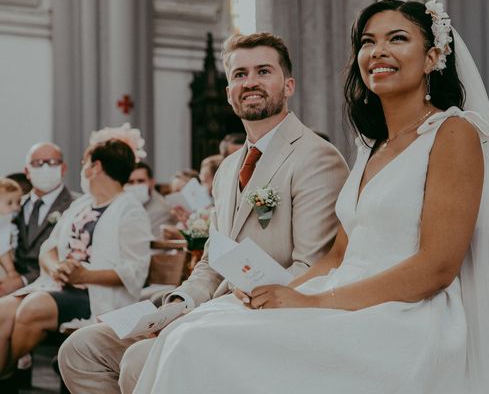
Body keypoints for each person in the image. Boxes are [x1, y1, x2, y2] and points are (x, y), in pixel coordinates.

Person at [124, 0, 489, 393]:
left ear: (432, 57)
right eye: (367, 42)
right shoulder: (373, 145)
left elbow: (436, 267)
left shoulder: (454, 132)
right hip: (343, 292)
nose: (377, 51)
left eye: (397, 39)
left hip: (405, 312)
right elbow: (338, 255)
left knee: (199, 345)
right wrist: (280, 292)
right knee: (199, 325)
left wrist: (315, 300)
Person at [58, 32, 349, 394]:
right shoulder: (227, 169)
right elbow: (213, 261)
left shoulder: (316, 157)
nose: (251, 82)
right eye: (240, 74)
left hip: (267, 316)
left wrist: (217, 312)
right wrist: (179, 304)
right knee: (81, 349)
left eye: (263, 71)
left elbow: (313, 268)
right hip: (209, 307)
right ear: (229, 92)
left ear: (288, 85)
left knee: (139, 360)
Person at [0, 139, 152, 387]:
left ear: (96, 167)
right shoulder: (82, 204)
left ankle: (7, 372)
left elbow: (135, 271)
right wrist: (56, 267)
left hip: (94, 294)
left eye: (84, 163)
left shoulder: (130, 211)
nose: (83, 169)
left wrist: (85, 276)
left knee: (33, 307)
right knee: (3, 309)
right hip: (57, 284)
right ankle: (8, 374)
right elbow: (49, 248)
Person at [0, 143, 75, 296]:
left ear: (63, 168)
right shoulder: (13, 205)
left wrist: (22, 280)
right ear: (27, 171)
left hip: (52, 287)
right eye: (38, 163)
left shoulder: (76, 206)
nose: (45, 168)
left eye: (53, 162)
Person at [125, 162, 174, 239]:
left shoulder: (162, 209)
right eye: (131, 182)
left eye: (140, 181)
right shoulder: (125, 204)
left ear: (152, 182)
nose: (135, 185)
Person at [0, 179, 21, 279]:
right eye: (9, 203)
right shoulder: (3, 222)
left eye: (18, 202)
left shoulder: (8, 219)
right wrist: (11, 270)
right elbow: (2, 249)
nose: (15, 207)